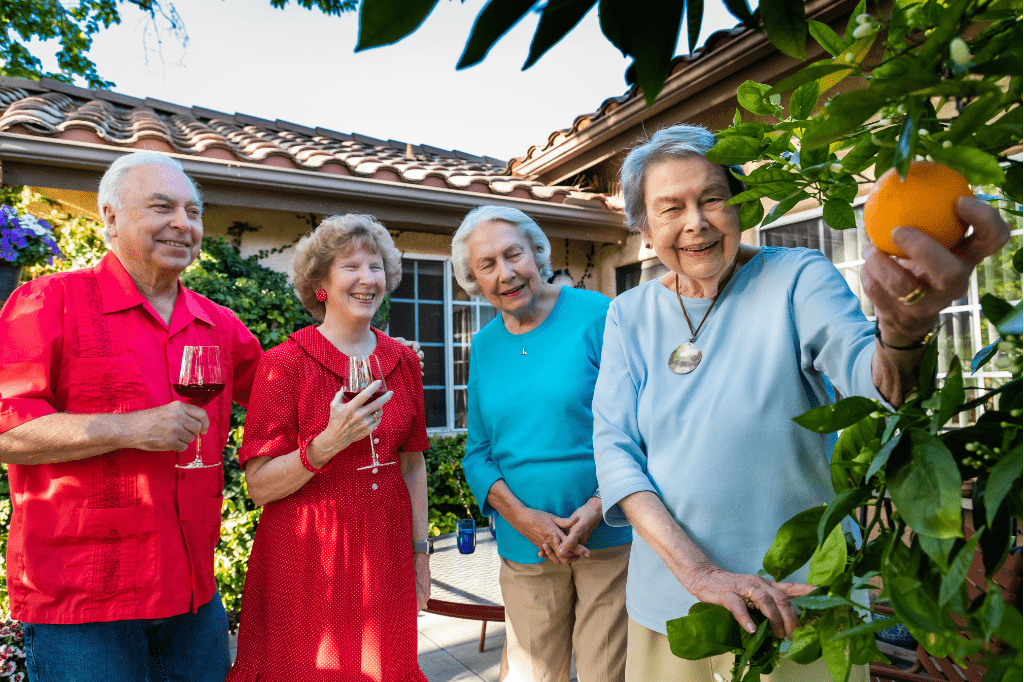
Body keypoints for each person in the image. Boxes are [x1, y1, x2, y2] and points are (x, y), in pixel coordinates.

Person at [591, 124, 1011, 681]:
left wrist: (904, 326)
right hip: (672, 600)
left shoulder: (796, 278)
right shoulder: (628, 314)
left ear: (741, 202)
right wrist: (698, 574)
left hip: (801, 597)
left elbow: (874, 385)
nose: (695, 222)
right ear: (645, 229)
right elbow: (614, 448)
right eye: (671, 209)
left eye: (712, 198)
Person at [0, 151, 264, 681]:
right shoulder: (48, 302)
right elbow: (7, 430)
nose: (182, 224)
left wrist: (371, 353)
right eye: (162, 207)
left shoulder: (217, 324)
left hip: (192, 595)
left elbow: (285, 393)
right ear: (110, 217)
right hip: (81, 604)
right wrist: (130, 427)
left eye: (193, 211)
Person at [227, 213, 429, 682]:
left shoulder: (404, 363)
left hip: (386, 551)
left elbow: (413, 464)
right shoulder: (284, 364)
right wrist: (325, 444)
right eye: (350, 267)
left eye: (376, 266)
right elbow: (258, 486)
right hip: (306, 556)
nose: (367, 279)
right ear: (320, 284)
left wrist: (420, 554)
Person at [454, 205, 633, 682]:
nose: (506, 273)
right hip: (524, 546)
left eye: (514, 255)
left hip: (608, 537)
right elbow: (478, 452)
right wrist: (525, 519)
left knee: (607, 675)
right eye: (487, 265)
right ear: (474, 280)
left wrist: (599, 505)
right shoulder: (486, 345)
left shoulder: (599, 314)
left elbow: (643, 423)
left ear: (537, 252)